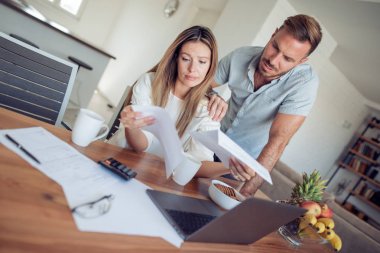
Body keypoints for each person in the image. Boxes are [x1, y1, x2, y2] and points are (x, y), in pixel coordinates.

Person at [213, 14, 323, 196]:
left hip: (239, 164)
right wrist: (211, 95)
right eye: (275, 47)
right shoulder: (241, 56)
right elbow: (200, 86)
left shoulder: (304, 84)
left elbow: (279, 139)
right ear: (273, 34)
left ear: (301, 61)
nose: (273, 60)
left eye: (287, 59)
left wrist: (246, 194)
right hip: (210, 139)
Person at [109, 25, 230, 179]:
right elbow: (142, 145)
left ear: (210, 66)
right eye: (186, 59)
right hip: (118, 160)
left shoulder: (208, 108)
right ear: (175, 58)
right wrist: (132, 126)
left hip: (153, 176)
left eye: (202, 62)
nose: (193, 68)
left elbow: (197, 163)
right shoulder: (149, 83)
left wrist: (231, 166)